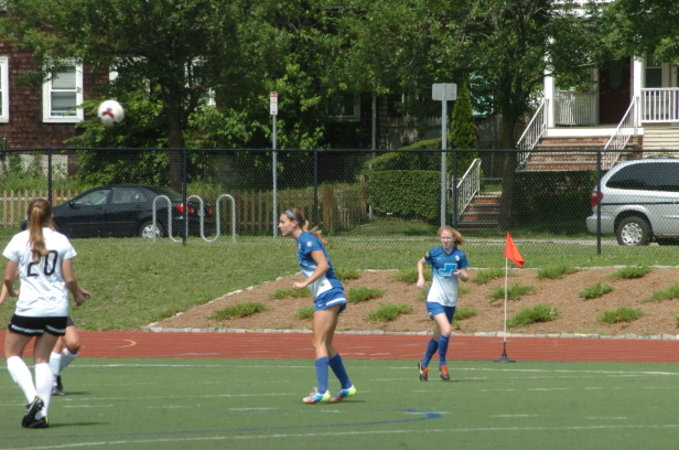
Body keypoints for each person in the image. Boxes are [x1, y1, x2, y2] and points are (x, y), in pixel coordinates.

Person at [1, 199, 92, 428]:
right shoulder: (61, 240)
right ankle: (41, 416)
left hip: (29, 307)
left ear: (27, 215)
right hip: (56, 309)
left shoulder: (19, 239)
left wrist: (10, 291)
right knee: (42, 359)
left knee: (11, 353)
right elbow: (69, 278)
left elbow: (8, 277)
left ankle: (33, 399)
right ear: (51, 216)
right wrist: (77, 295)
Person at [278, 208, 356, 404]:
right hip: (330, 293)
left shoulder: (306, 240)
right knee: (326, 343)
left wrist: (304, 283)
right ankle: (347, 386)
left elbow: (323, 265)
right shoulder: (302, 241)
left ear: (294, 223)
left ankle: (322, 391)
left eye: (282, 222)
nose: (279, 226)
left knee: (318, 342)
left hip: (327, 293)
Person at [416, 226, 469, 381]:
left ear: (453, 239)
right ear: (440, 239)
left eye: (448, 238)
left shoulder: (459, 255)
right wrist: (421, 277)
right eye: (443, 238)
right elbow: (420, 263)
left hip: (450, 301)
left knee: (438, 335)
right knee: (446, 330)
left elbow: (466, 277)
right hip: (434, 299)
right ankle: (443, 364)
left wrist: (462, 274)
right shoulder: (434, 253)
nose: (445, 240)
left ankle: (424, 364)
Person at [49, 318, 80, 396]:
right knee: (56, 345)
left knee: (74, 344)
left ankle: (51, 373)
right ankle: (52, 383)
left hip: (61, 313)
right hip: (43, 313)